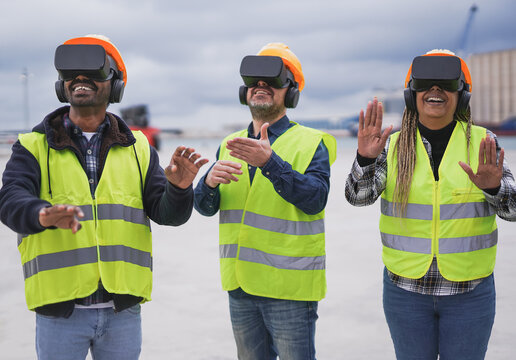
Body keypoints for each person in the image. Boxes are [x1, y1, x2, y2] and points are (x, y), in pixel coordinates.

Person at [0, 35, 208, 360]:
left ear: (116, 85)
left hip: (121, 311)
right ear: (61, 84)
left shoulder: (140, 148)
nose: (80, 79)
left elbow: (168, 214)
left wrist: (179, 189)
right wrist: (41, 214)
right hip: (60, 312)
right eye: (72, 73)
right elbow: (10, 200)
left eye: (93, 71)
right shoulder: (32, 146)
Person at [345, 49, 516, 360]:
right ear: (413, 93)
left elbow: (513, 210)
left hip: (470, 292)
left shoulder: (483, 142)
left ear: (462, 95)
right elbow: (358, 197)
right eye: (425, 83)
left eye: (447, 84)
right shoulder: (393, 146)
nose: (435, 91)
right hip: (405, 291)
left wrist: (493, 187)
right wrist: (365, 159)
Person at [194, 43, 336, 359]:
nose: (261, 86)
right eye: (254, 81)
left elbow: (315, 200)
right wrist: (207, 183)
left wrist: (270, 163)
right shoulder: (228, 144)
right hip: (240, 287)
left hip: (290, 291)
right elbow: (204, 207)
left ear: (291, 91)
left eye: (272, 80)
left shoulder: (312, 143)